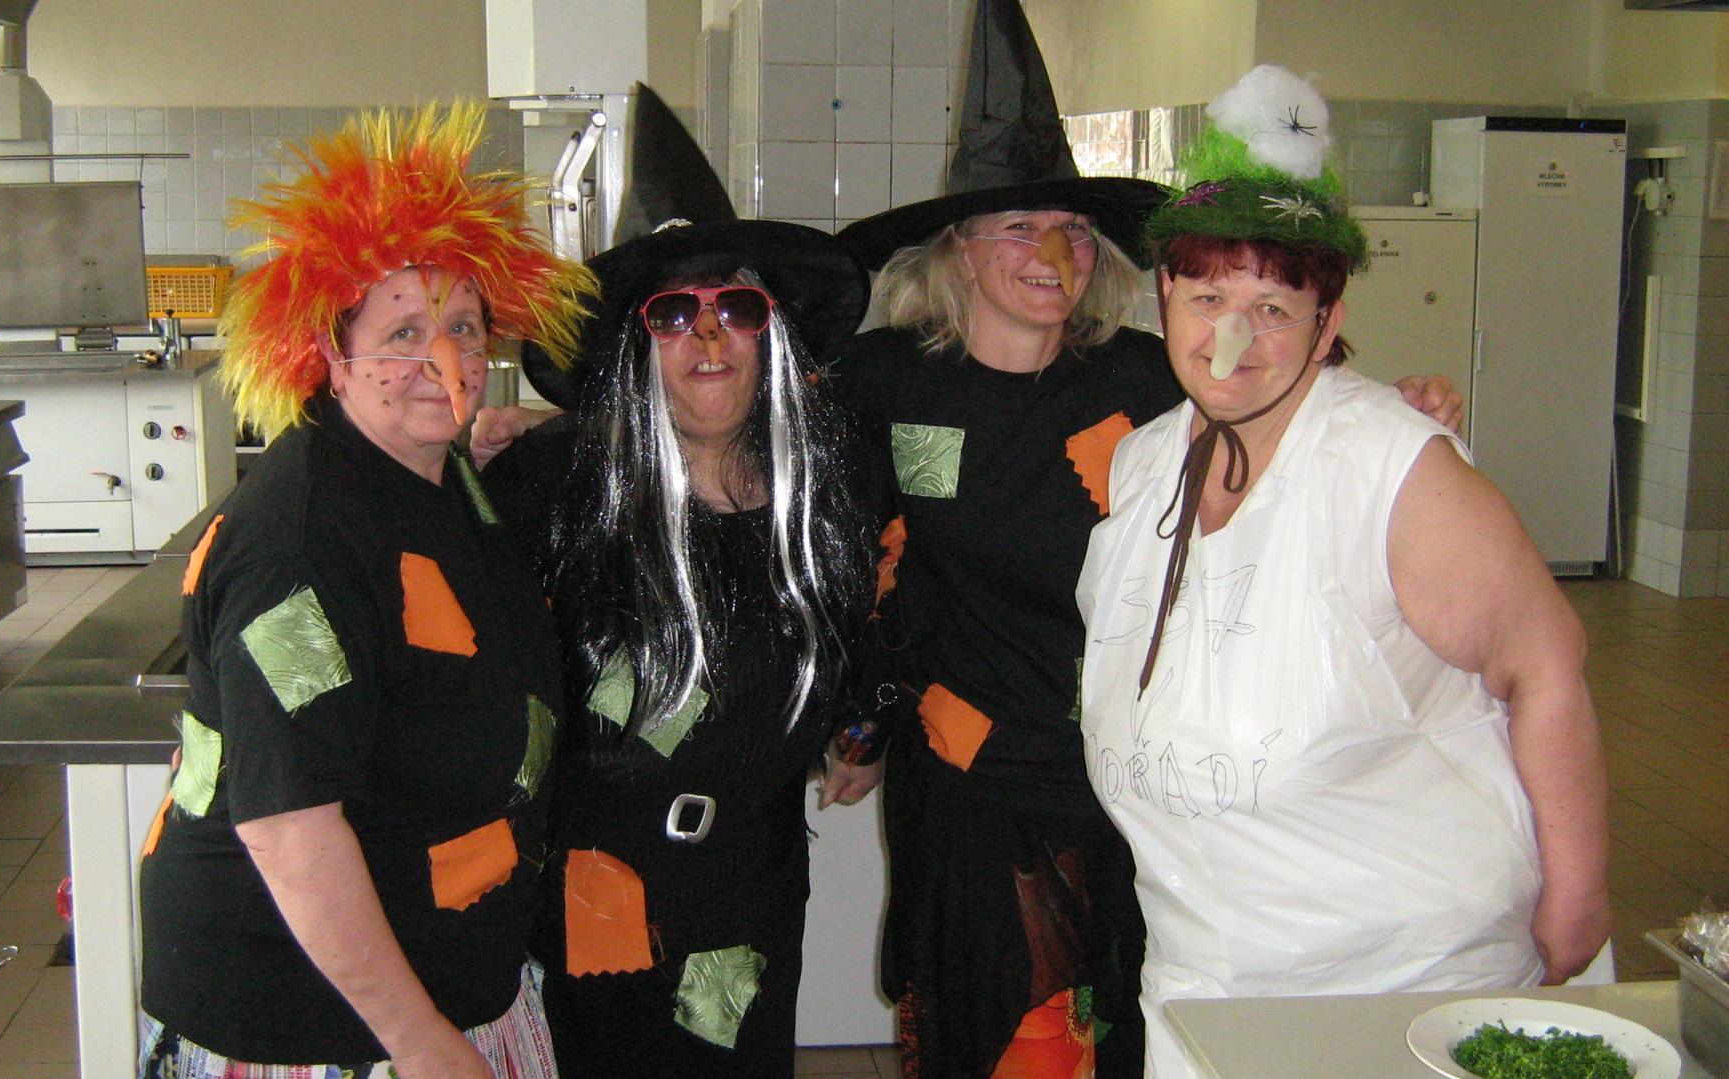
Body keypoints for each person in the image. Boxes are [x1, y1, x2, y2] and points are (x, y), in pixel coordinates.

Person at [828, 6, 1463, 1077]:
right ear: (960, 248)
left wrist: (1399, 410)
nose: (1054, 252)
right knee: (995, 1034)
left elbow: (1288, 405)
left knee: (1123, 1024)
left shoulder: (1143, 375)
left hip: (1133, 776)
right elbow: (821, 529)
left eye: (1074, 230)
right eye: (1018, 227)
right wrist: (859, 721)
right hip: (972, 781)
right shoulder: (885, 382)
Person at [1075, 66, 1610, 1079]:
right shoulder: (1144, 463)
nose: (1231, 338)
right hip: (1205, 976)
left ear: (1328, 320)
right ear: (1165, 298)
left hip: (1400, 987)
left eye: (1274, 307)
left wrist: (1577, 896)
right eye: (1208, 297)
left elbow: (1546, 664)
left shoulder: (1391, 470)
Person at [135, 102, 595, 1079]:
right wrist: (419, 1040)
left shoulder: (437, 471)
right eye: (402, 333)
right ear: (331, 355)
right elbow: (288, 823)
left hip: (451, 977)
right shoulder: (298, 546)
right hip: (323, 1024)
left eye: (462, 326)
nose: (443, 360)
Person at [479, 85, 881, 1078]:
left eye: (736, 308)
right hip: (595, 890)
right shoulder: (553, 483)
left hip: (749, 892)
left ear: (769, 333)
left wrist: (864, 724)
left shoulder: (823, 487)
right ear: (635, 343)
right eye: (673, 314)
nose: (709, 338)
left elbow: (875, 619)